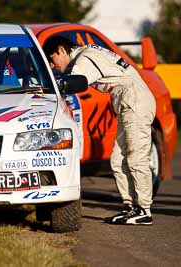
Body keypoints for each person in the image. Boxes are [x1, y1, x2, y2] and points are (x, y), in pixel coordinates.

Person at [44, 36, 156, 225]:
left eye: (51, 59)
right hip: (128, 100)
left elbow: (73, 83)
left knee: (136, 158)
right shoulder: (85, 54)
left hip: (134, 100)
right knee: (118, 160)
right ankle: (131, 207)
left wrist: (45, 88)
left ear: (62, 50)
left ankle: (144, 210)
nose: (52, 65)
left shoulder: (84, 59)